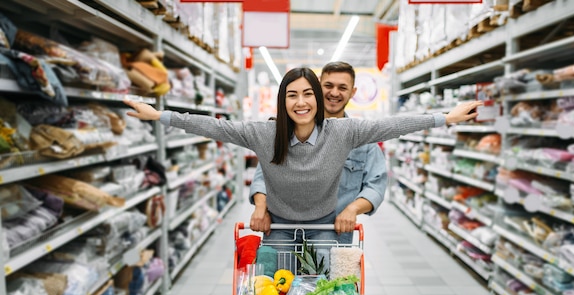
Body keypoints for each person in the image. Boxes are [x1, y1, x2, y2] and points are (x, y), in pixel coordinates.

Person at [124, 67, 481, 240]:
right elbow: (216, 126)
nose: (301, 102)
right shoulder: (265, 133)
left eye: (308, 94)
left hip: (327, 228)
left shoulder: (343, 132)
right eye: (291, 95)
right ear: (282, 102)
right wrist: (160, 115)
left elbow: (393, 124)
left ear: (318, 100)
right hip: (279, 227)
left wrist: (444, 118)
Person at [249, 62, 386, 244]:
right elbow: (263, 176)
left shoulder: (362, 140)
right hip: (283, 231)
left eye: (342, 87)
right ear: (317, 88)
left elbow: (376, 185)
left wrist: (352, 209)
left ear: (352, 93)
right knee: (276, 273)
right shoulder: (285, 133)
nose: (334, 93)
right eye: (328, 85)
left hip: (332, 236)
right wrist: (261, 207)